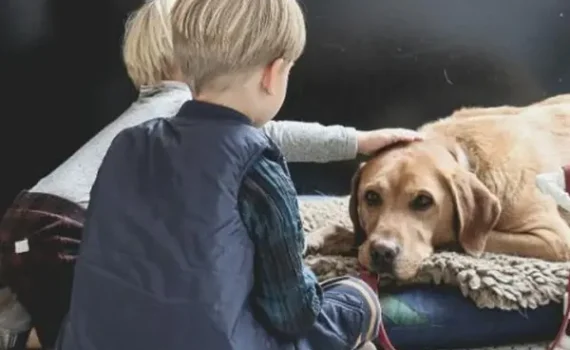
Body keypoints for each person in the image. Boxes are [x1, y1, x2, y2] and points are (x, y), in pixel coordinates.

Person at [0, 0, 421, 349]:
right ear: (273, 74)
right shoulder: (258, 165)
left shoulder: (128, 143)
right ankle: (362, 306)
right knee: (348, 301)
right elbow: (291, 311)